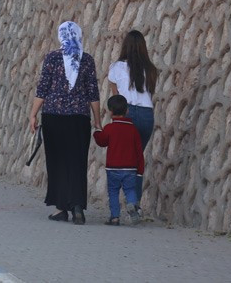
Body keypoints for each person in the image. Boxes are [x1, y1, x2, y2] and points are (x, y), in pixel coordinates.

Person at [28, 21, 101, 225]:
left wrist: (33, 114)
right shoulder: (87, 60)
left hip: (54, 117)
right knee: (77, 161)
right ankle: (77, 206)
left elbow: (43, 89)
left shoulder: (52, 58)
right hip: (79, 119)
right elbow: (93, 93)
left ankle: (61, 208)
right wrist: (97, 120)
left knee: (57, 162)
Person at [107, 30, 159, 207]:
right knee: (137, 159)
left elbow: (116, 99)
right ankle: (134, 202)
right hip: (146, 114)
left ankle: (123, 199)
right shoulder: (151, 70)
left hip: (126, 114)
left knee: (122, 159)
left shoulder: (116, 67)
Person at [93, 95, 144, 226]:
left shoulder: (110, 128)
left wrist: (97, 131)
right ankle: (132, 204)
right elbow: (139, 152)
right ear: (127, 110)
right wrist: (140, 171)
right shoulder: (133, 130)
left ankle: (115, 217)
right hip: (130, 168)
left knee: (113, 192)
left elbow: (102, 141)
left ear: (110, 112)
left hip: (113, 168)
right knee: (130, 190)